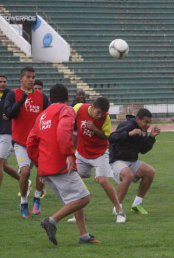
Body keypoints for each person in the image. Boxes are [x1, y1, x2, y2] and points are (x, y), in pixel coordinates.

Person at [27, 83, 100, 245]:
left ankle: (84, 235)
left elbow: (30, 142)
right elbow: (63, 131)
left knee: (75, 199)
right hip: (60, 164)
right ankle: (51, 221)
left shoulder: (42, 115)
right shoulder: (65, 109)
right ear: (67, 98)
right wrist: (68, 154)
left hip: (46, 167)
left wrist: (40, 165)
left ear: (50, 99)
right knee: (84, 198)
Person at [67, 97, 126, 223]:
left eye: (102, 114)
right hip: (82, 153)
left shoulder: (106, 118)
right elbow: (66, 116)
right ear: (92, 107)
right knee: (74, 180)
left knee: (102, 180)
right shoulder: (79, 108)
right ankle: (79, 215)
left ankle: (119, 211)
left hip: (100, 153)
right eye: (98, 112)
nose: (99, 116)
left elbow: (106, 136)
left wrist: (94, 128)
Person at [4, 66, 49, 218]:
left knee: (42, 171)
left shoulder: (42, 97)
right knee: (25, 171)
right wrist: (21, 101)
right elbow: (9, 113)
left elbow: (47, 116)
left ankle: (37, 198)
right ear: (21, 79)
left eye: (33, 77)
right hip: (21, 142)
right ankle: (23, 202)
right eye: (28, 77)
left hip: (38, 142)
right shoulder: (13, 94)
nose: (31, 80)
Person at [109, 108, 160, 215]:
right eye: (145, 122)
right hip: (117, 160)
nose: (147, 125)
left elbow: (143, 150)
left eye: (149, 123)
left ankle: (137, 204)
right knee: (128, 175)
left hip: (131, 161)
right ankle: (117, 208)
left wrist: (151, 137)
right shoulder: (127, 125)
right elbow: (112, 137)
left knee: (150, 172)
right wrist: (129, 134)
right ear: (138, 119)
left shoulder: (143, 131)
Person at [0, 75, 20, 187]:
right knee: (5, 166)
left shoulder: (11, 95)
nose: (3, 84)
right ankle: (25, 181)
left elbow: (17, 110)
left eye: (4, 81)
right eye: (0, 82)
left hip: (6, 134)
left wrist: (11, 114)